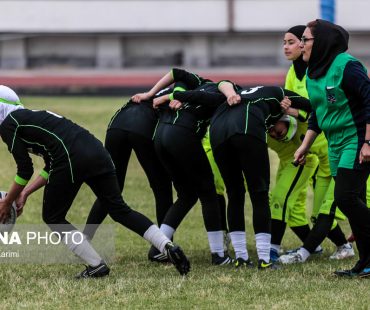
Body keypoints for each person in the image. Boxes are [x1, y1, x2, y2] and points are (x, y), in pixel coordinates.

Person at [0, 85, 190, 278]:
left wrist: (7, 202)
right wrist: (24, 193)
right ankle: (167, 246)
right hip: (95, 150)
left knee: (53, 217)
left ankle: (95, 265)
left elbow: (25, 169)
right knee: (119, 210)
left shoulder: (8, 123)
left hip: (71, 156)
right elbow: (50, 164)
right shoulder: (28, 117)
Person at [269, 25, 354, 263]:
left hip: (332, 150)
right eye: (284, 42)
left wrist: (296, 111)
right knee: (302, 211)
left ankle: (308, 252)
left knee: (325, 210)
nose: (286, 46)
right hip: (310, 151)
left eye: (293, 41)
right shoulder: (294, 72)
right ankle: (330, 247)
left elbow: (318, 109)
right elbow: (298, 107)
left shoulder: (326, 70)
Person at [293, 19, 370, 278]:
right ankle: (366, 264)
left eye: (306, 39)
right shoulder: (313, 73)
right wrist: (304, 145)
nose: (301, 44)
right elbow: (318, 113)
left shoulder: (345, 66)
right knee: (352, 202)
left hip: (356, 138)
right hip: (335, 142)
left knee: (345, 197)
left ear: (322, 42)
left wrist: (368, 141)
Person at [134, 68, 233, 266]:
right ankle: (218, 255)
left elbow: (176, 73)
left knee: (187, 195)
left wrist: (153, 94)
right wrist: (230, 91)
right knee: (209, 194)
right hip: (181, 136)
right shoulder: (216, 90)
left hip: (160, 137)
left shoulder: (192, 86)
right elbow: (223, 85)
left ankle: (159, 247)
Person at [208, 82, 312, 269]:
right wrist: (297, 111)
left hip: (216, 130)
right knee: (259, 194)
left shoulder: (241, 91)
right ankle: (264, 260)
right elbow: (309, 105)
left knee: (235, 194)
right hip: (246, 127)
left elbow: (221, 84)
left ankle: (241, 258)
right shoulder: (276, 92)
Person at [83, 86, 176, 263]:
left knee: (110, 188)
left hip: (117, 123)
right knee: (162, 186)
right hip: (142, 124)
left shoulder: (159, 90)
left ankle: (85, 239)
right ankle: (162, 246)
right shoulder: (182, 92)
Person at [268, 116, 354, 264]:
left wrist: (292, 108)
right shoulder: (297, 132)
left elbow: (307, 107)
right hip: (326, 167)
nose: (274, 134)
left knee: (326, 212)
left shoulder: (307, 115)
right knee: (317, 216)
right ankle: (344, 247)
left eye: (276, 129)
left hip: (344, 162)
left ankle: (303, 254)